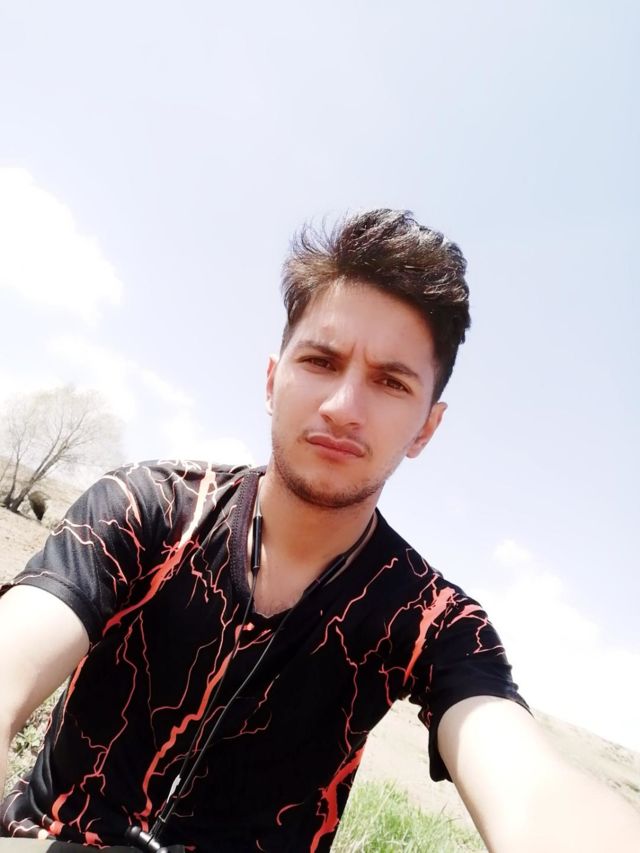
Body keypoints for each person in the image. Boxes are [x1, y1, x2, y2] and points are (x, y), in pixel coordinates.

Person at [0, 209, 638, 853]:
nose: (343, 407)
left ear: (426, 427)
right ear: (272, 380)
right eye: (321, 361)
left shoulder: (429, 619)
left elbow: (528, 784)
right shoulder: (150, 507)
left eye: (390, 382)